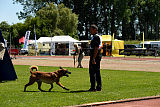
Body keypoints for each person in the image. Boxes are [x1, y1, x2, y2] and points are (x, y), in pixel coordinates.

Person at [88, 24, 102, 91]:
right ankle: (96, 87)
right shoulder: (94, 37)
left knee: (94, 72)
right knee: (95, 72)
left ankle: (95, 87)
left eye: (91, 29)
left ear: (95, 30)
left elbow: (96, 48)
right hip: (94, 56)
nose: (90, 31)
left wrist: (93, 58)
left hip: (95, 56)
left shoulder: (96, 37)